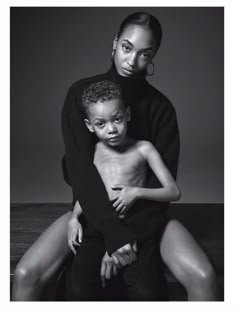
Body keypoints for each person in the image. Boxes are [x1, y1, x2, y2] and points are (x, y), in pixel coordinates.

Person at [12, 11, 218, 301]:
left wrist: (127, 238)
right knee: (25, 275)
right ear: (114, 44)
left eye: (145, 54)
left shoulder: (161, 108)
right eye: (126, 48)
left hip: (146, 214)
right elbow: (81, 171)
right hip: (91, 208)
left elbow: (163, 185)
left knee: (204, 276)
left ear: (154, 56)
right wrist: (112, 235)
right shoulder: (81, 95)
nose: (133, 61)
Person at [65, 79, 181, 301]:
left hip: (135, 227)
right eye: (101, 124)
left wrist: (136, 192)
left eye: (117, 119)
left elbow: (173, 192)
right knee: (79, 287)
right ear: (90, 126)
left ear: (127, 114)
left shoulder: (144, 148)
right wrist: (74, 217)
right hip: (96, 227)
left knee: (146, 289)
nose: (111, 129)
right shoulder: (94, 151)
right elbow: (89, 190)